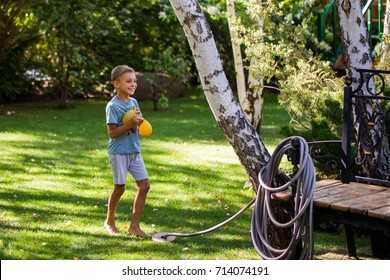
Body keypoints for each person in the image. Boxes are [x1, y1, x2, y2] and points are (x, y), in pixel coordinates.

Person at [104, 65, 150, 238]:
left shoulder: (134, 102)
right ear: (117, 84)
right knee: (120, 188)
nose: (133, 84)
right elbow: (112, 133)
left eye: (135, 81)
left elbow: (136, 122)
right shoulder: (113, 106)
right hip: (118, 152)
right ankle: (109, 221)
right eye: (128, 81)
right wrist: (131, 124)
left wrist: (141, 124)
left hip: (134, 151)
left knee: (144, 186)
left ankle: (134, 226)